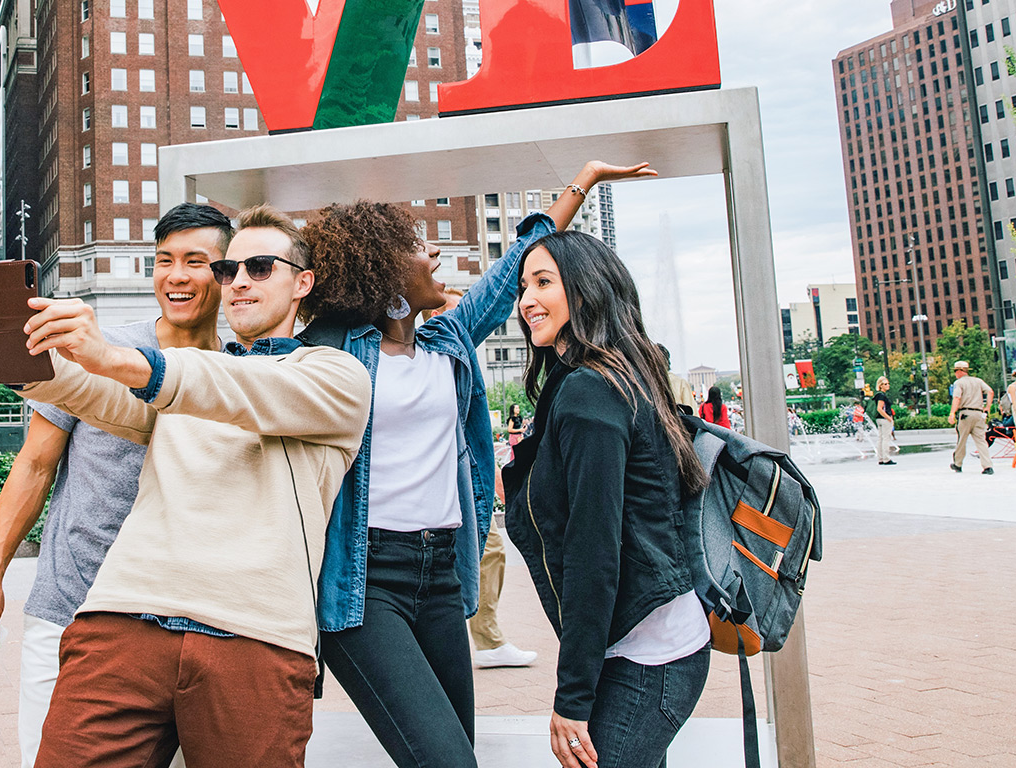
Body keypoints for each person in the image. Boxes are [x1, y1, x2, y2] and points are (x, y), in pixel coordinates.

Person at [294, 162, 648, 768]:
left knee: (461, 753)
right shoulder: (333, 350)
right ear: (383, 270)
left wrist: (582, 182)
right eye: (414, 246)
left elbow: (519, 264)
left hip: (440, 576)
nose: (432, 252)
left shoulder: (448, 340)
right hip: (365, 579)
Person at [14, 205, 370, 768]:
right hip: (122, 620)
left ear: (303, 284)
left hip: (254, 636)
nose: (239, 282)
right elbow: (92, 394)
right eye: (229, 271)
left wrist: (113, 356)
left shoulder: (335, 375)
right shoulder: (181, 381)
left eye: (259, 267)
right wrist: (2, 348)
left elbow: (236, 389)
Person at [0, 202, 232, 768]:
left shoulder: (240, 370)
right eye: (164, 260)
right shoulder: (98, 349)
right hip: (71, 606)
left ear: (225, 273)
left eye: (197, 261)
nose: (176, 275)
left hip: (182, 622)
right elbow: (34, 465)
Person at [507, 231, 710, 768]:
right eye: (524, 286)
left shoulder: (591, 391)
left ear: (587, 287)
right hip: (652, 641)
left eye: (543, 282)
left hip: (646, 655)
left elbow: (594, 551)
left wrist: (573, 696)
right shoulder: (617, 374)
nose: (526, 300)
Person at [468, 457, 537, 669]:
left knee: (486, 550)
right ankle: (489, 642)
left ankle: (488, 641)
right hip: (461, 467)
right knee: (489, 550)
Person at [948, 361, 994, 475]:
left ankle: (958, 464)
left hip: (965, 413)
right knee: (981, 441)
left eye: (955, 371)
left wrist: (952, 413)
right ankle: (987, 466)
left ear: (959, 371)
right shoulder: (978, 381)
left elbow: (957, 398)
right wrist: (987, 407)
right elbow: (990, 391)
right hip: (978, 414)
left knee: (962, 440)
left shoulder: (959, 383)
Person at [870, 376, 897, 465]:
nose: (887, 385)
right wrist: (888, 418)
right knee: (886, 438)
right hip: (884, 419)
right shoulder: (881, 395)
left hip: (879, 419)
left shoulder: (878, 395)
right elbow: (879, 408)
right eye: (885, 384)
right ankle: (886, 458)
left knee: (881, 438)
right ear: (880, 385)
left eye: (888, 383)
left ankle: (881, 458)